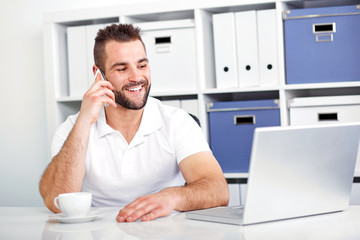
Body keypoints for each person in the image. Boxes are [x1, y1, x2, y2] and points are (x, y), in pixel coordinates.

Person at [39, 23, 229, 222]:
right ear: (98, 74)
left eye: (142, 65)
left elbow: (218, 190)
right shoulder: (72, 129)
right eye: (122, 68)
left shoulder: (177, 122)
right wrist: (84, 121)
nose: (137, 77)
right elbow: (56, 200)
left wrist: (172, 197)